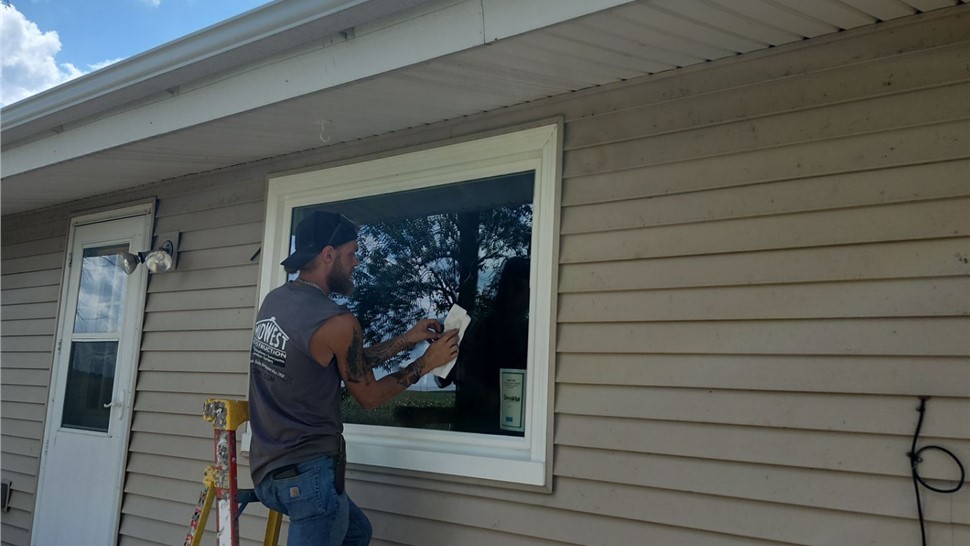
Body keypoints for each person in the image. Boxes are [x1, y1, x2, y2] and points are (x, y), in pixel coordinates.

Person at [248, 210, 459, 546]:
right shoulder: (337, 321)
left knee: (357, 533)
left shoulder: (275, 302)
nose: (357, 262)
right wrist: (425, 364)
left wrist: (406, 340)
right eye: (352, 253)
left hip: (267, 470)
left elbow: (341, 360)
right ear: (328, 255)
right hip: (308, 477)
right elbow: (369, 396)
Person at [438, 257, 530, 435]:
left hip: (511, 441)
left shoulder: (533, 339)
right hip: (467, 434)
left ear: (530, 296)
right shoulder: (476, 328)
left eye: (517, 288)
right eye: (505, 286)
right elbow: (444, 378)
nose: (508, 294)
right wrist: (441, 350)